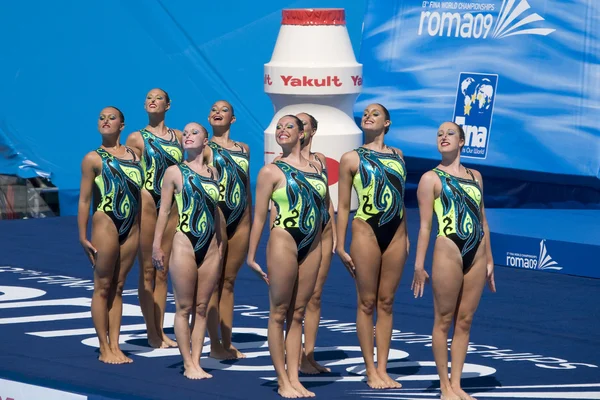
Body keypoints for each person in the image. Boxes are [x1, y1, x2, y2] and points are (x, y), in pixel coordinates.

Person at [411, 121, 496, 400]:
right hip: (448, 248)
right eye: (439, 134)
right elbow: (424, 225)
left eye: (450, 133)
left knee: (465, 320)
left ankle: (457, 384)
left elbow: (483, 219)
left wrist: (490, 260)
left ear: (462, 142)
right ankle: (444, 386)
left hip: (477, 251)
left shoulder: (476, 177)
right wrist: (419, 265)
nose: (443, 137)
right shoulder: (430, 179)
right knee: (444, 319)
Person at [247, 115, 327, 398]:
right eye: (279, 127)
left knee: (298, 314)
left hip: (313, 244)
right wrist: (252, 255)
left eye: (288, 127)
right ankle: (282, 380)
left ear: (302, 133)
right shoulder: (271, 171)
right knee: (279, 313)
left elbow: (324, 210)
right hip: (283, 240)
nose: (282, 131)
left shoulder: (318, 167)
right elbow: (258, 218)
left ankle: (295, 377)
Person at [336, 103, 408, 389]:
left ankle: (383, 367)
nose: (368, 116)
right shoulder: (351, 158)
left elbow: (400, 199)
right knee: (367, 302)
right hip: (365, 229)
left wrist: (406, 236)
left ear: (387, 123)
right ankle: (369, 369)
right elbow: (343, 205)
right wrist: (340, 245)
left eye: (375, 113)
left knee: (387, 302)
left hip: (397, 234)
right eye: (365, 113)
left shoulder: (399, 156)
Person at [152, 122, 223, 379]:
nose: (188, 136)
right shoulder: (174, 172)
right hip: (184, 243)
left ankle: (196, 360)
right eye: (186, 133)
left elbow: (216, 213)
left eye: (195, 132)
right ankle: (186, 362)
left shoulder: (215, 173)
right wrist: (157, 245)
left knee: (202, 307)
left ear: (206, 141)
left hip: (211, 246)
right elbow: (164, 211)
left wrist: (221, 244)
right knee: (184, 307)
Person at [78, 106, 143, 364]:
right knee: (103, 286)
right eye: (101, 118)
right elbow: (84, 201)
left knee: (119, 286)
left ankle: (116, 345)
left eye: (111, 118)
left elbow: (141, 194)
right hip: (106, 222)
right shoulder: (93, 159)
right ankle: (104, 347)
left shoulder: (136, 155)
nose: (105, 121)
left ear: (122, 125)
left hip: (132, 226)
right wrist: (83, 236)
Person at [273, 112, 336, 374]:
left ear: (309, 130)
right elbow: (276, 208)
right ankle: (294, 358)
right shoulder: (280, 163)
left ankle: (308, 355)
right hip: (293, 232)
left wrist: (334, 234)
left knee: (315, 296)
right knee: (291, 303)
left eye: (302, 124)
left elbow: (327, 201)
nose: (295, 127)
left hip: (322, 231)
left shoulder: (320, 161)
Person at [126, 88, 182, 348]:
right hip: (148, 204)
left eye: (158, 98)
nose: (152, 101)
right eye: (148, 98)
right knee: (148, 269)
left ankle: (161, 330)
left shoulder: (180, 137)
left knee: (163, 271)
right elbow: (129, 175)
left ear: (168, 105)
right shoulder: (137, 138)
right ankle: (151, 331)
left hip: (172, 207)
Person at [203, 100, 252, 359]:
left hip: (241, 221)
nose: (217, 113)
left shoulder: (244, 149)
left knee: (229, 282)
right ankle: (213, 344)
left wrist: (250, 221)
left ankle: (228, 340)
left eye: (223, 110)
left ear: (232, 120)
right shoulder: (204, 148)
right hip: (214, 220)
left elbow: (246, 189)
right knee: (212, 283)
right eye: (213, 110)